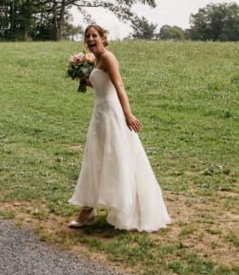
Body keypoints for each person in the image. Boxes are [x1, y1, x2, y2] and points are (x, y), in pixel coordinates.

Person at [68, 24, 171, 232]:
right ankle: (88, 211)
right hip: (99, 115)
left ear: (103, 38)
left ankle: (124, 209)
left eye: (94, 35)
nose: (90, 39)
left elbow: (118, 86)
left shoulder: (108, 58)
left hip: (112, 115)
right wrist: (81, 76)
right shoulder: (95, 60)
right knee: (95, 159)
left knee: (116, 159)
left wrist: (128, 114)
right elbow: (99, 85)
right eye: (87, 36)